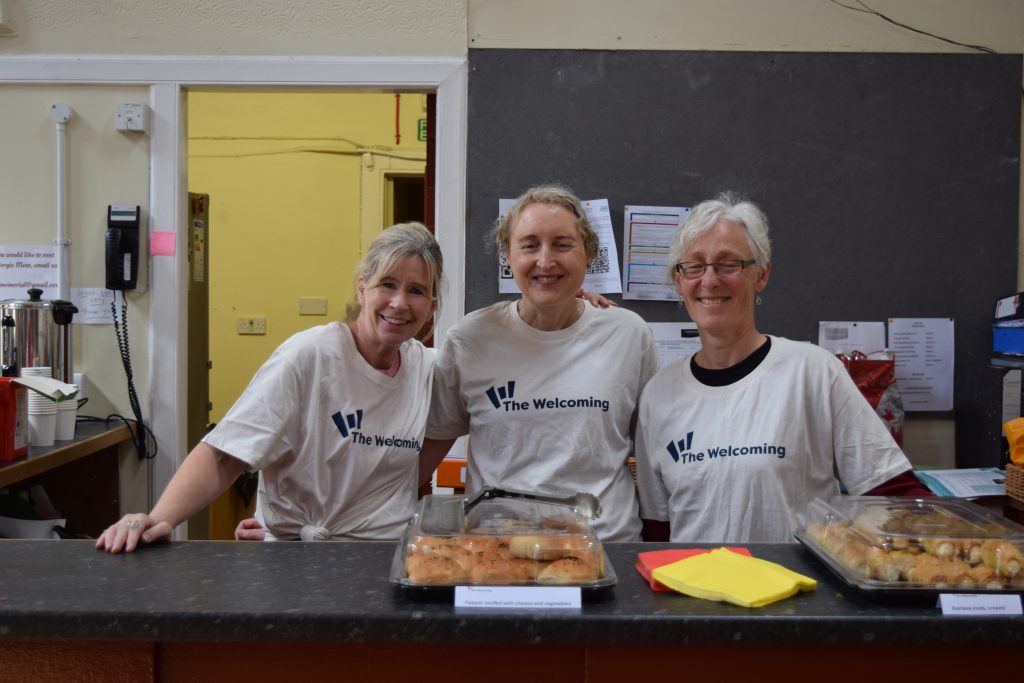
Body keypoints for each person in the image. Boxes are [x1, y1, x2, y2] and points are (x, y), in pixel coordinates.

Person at [97, 221, 443, 552]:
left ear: (431, 306)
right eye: (388, 284)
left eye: (416, 291)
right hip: (295, 563)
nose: (399, 303)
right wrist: (160, 518)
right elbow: (225, 454)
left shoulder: (429, 372)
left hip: (386, 563)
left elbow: (400, 473)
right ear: (362, 288)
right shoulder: (309, 356)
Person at [635, 193, 929, 544]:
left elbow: (891, 490)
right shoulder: (658, 394)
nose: (709, 280)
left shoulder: (813, 371)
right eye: (695, 266)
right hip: (693, 594)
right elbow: (658, 529)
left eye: (729, 264)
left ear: (761, 275)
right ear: (679, 282)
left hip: (799, 594)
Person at [419, 184, 659, 542]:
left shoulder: (628, 334)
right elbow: (426, 454)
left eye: (562, 244)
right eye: (529, 245)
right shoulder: (470, 339)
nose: (545, 261)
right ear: (507, 256)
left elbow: (654, 448)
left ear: (589, 253)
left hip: (606, 550)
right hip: (498, 553)